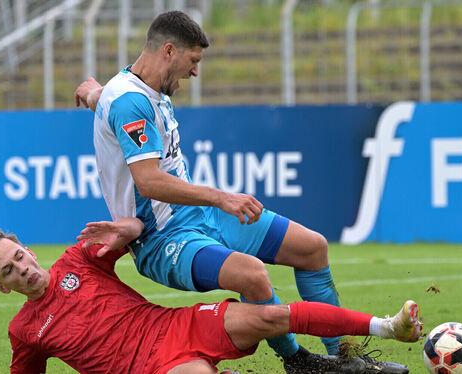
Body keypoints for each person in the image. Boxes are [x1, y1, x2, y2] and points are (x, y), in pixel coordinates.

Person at [74, 10, 375, 371]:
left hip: (199, 216)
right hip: (161, 238)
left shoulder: (134, 90)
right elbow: (149, 181)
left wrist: (92, 91)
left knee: (312, 248)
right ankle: (299, 361)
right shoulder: (129, 102)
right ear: (168, 50)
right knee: (251, 275)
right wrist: (221, 196)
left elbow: (104, 99)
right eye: (193, 60)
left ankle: (342, 357)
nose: (195, 72)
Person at [0, 218, 423, 374]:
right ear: (2, 287)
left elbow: (136, 230)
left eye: (20, 257)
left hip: (174, 325)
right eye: (10, 271)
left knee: (268, 317)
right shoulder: (25, 332)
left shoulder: (77, 261)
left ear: (27, 249)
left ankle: (388, 327)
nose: (23, 270)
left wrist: (126, 228)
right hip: (151, 368)